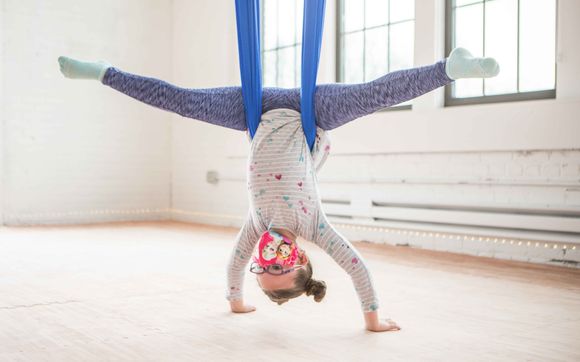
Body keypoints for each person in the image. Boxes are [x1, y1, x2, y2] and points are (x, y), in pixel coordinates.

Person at [58, 47, 499, 332]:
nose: (269, 254)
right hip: (313, 112)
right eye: (282, 261)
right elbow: (358, 268)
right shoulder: (316, 227)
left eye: (263, 267)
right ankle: (448, 69)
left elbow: (233, 267)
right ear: (301, 256)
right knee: (375, 95)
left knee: (181, 101)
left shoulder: (255, 227)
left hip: (254, 110)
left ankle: (104, 73)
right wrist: (373, 320)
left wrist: (236, 302)